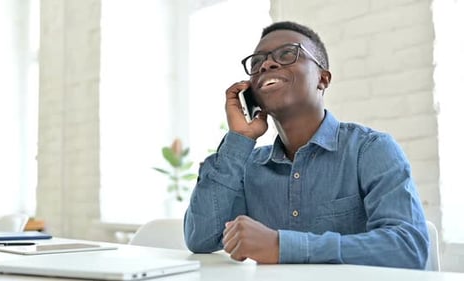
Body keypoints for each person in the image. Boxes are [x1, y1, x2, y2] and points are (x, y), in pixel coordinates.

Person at [183, 21, 429, 269]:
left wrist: (282, 246)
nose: (267, 64)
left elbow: (409, 248)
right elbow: (201, 238)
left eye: (288, 53)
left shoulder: (370, 150)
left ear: (323, 78)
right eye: (257, 62)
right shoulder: (248, 167)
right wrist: (239, 139)